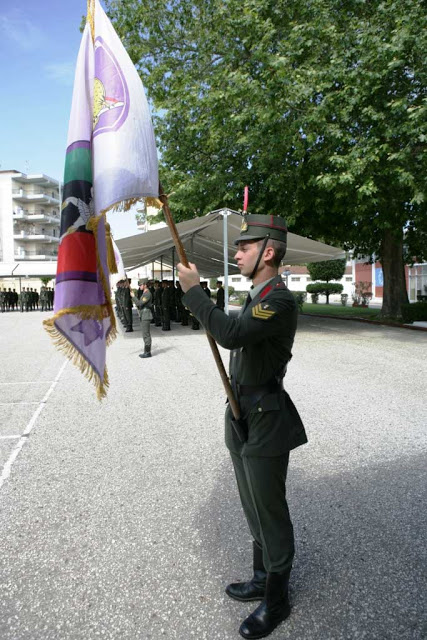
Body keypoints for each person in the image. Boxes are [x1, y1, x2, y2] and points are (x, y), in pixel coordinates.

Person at [177, 214, 307, 639]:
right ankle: (259, 576)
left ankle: (277, 599)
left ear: (268, 253)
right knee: (251, 503)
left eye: (244, 248)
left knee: (270, 510)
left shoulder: (280, 299)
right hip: (240, 412)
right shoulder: (256, 293)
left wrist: (195, 293)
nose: (236, 254)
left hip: (267, 417)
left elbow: (231, 334)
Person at [132, 279, 153, 358]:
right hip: (143, 314)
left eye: (140, 285)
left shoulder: (147, 294)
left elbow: (140, 303)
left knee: (146, 334)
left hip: (146, 315)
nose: (140, 286)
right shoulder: (144, 293)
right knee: (144, 334)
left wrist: (133, 297)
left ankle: (148, 352)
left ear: (145, 285)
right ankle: (146, 351)